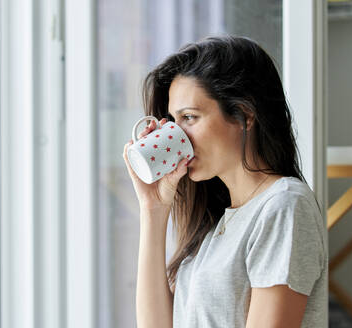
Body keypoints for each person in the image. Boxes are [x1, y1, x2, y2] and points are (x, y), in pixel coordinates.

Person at [122, 35, 328, 328]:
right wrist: (153, 209)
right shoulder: (216, 223)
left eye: (189, 118)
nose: (178, 136)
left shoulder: (284, 206)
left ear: (244, 115)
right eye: (173, 121)